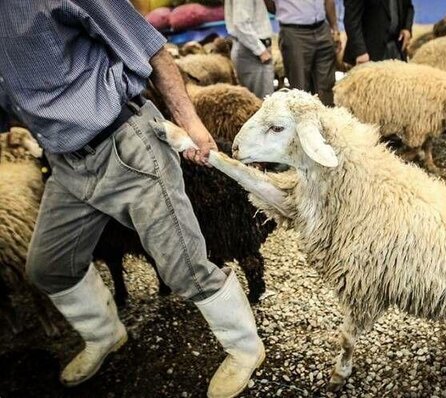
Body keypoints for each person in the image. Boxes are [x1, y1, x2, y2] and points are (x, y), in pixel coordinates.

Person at [0, 1, 263, 397]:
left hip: (125, 143)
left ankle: (245, 348)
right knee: (48, 267)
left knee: (184, 269)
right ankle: (104, 334)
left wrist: (191, 122)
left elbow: (149, 45)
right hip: (65, 161)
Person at [265, 0, 341, 106]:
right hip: (294, 31)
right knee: (300, 89)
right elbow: (269, 4)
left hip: (322, 28)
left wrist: (335, 28)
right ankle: (303, 120)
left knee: (327, 87)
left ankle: (326, 120)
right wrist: (285, 11)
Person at [224, 0, 275, 99]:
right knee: (263, 102)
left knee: (262, 100)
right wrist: (261, 51)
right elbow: (241, 23)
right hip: (251, 52)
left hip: (251, 49)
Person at [343, 0, 415, 65]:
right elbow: (352, 20)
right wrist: (360, 52)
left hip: (397, 48)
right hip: (369, 53)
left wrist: (407, 28)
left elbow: (408, 7)